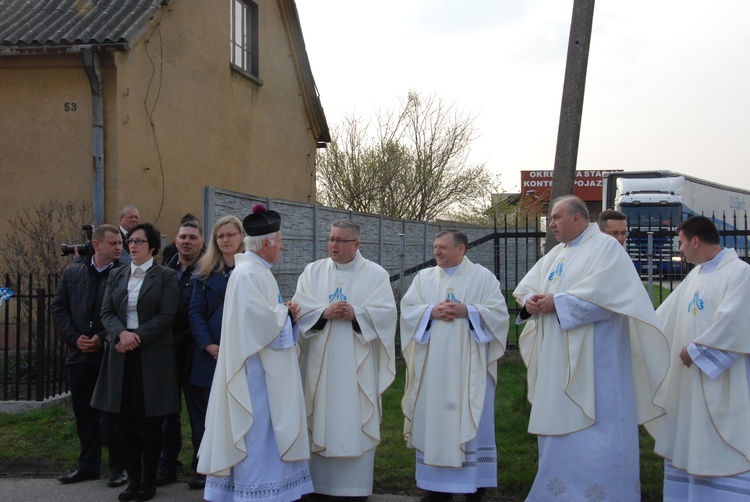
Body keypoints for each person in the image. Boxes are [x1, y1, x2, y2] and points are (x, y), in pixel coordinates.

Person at [513, 195, 670, 501]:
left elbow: (612, 297)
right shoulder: (557, 254)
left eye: (557, 217)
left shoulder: (606, 248)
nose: (552, 224)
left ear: (577, 218)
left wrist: (557, 302)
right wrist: (531, 301)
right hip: (557, 361)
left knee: (598, 434)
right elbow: (528, 288)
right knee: (560, 431)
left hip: (597, 363)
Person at [197, 204, 313, 502]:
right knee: (258, 435)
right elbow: (258, 325)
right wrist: (285, 315)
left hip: (263, 372)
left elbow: (261, 318)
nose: (282, 246)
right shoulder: (249, 273)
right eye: (279, 241)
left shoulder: (256, 270)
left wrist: (283, 313)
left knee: (265, 436)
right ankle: (257, 494)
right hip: (255, 377)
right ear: (265, 244)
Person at [401, 229, 509, 502]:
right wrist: (430, 312)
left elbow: (498, 314)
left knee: (474, 415)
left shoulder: (483, 278)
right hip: (433, 368)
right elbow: (408, 310)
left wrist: (468, 311)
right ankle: (436, 487)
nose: (437, 252)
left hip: (469, 368)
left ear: (461, 249)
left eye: (443, 247)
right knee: (434, 420)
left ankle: (475, 485)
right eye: (435, 247)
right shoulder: (424, 278)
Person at [646, 216, 750, 500]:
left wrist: (696, 351)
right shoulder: (697, 273)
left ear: (695, 241)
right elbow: (665, 316)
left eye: (680, 242)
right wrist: (642, 336)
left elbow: (737, 322)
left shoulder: (739, 273)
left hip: (724, 377)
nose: (680, 249)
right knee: (691, 434)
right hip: (690, 378)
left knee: (720, 436)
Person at [293, 219, 397, 499]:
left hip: (356, 366)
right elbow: (299, 309)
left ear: (356, 244)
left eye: (340, 240)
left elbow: (387, 314)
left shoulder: (375, 275)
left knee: (353, 418)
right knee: (320, 415)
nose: (333, 245)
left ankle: (355, 487)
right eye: (331, 239)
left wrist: (357, 314)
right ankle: (317, 485)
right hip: (320, 364)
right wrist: (323, 313)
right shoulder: (312, 271)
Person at [91, 222, 179, 502]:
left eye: (139, 241)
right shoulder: (118, 275)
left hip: (151, 356)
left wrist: (135, 337)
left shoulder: (165, 275)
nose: (132, 245)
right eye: (130, 241)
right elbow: (106, 312)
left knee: (149, 423)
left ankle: (149, 482)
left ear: (152, 246)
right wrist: (121, 334)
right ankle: (133, 481)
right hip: (120, 356)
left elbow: (166, 316)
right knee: (124, 422)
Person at [51, 224, 127, 488]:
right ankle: (88, 465)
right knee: (84, 414)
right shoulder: (73, 274)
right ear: (96, 245)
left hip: (109, 356)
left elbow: (126, 313)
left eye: (120, 243)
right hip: (79, 355)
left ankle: (119, 467)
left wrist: (104, 337)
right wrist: (74, 338)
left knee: (113, 414)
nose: (119, 247)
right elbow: (58, 308)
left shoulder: (123, 274)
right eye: (113, 243)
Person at [187, 215, 245, 490]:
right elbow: (196, 313)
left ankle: (236, 466)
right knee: (204, 416)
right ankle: (204, 467)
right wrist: (208, 345)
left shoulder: (250, 270)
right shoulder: (205, 271)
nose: (225, 240)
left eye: (231, 234)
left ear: (241, 237)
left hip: (239, 355)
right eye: (221, 236)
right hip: (208, 355)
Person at [157, 221, 205, 486]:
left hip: (196, 351)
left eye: (192, 238)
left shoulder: (209, 271)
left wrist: (182, 339)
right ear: (175, 241)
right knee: (168, 413)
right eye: (183, 237)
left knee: (199, 415)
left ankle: (202, 466)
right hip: (166, 352)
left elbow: (203, 314)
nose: (187, 241)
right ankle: (167, 465)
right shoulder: (164, 271)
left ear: (201, 242)